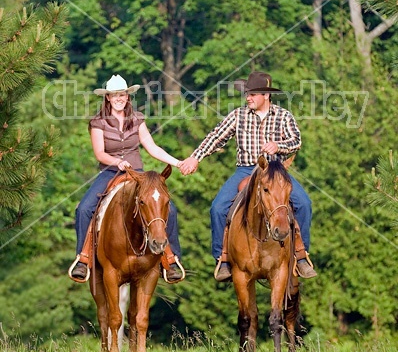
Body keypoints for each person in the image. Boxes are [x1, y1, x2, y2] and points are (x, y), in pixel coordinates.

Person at [180, 71, 317, 282]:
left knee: (304, 203)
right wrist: (195, 158)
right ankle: (223, 258)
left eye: (252, 94)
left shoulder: (283, 115)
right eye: (247, 94)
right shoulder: (238, 115)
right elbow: (216, 137)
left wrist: (278, 145)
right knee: (217, 208)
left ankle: (301, 255)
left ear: (266, 95)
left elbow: (296, 140)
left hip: (274, 170)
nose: (248, 98)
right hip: (245, 169)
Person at [69, 74, 185, 283]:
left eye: (122, 94)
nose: (119, 98)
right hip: (110, 172)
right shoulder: (98, 122)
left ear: (127, 96)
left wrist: (177, 162)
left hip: (136, 174)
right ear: (108, 98)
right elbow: (100, 153)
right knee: (84, 208)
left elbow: (152, 147)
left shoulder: (137, 119)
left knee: (171, 209)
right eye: (115, 95)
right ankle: (83, 258)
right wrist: (117, 162)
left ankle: (171, 259)